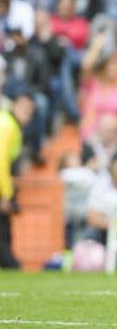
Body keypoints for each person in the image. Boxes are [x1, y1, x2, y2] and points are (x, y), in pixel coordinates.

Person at [0, 92, 34, 268]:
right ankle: (9, 264)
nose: (27, 113)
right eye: (23, 107)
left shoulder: (10, 125)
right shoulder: (7, 126)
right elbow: (1, 161)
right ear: (13, 105)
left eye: (30, 110)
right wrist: (5, 194)